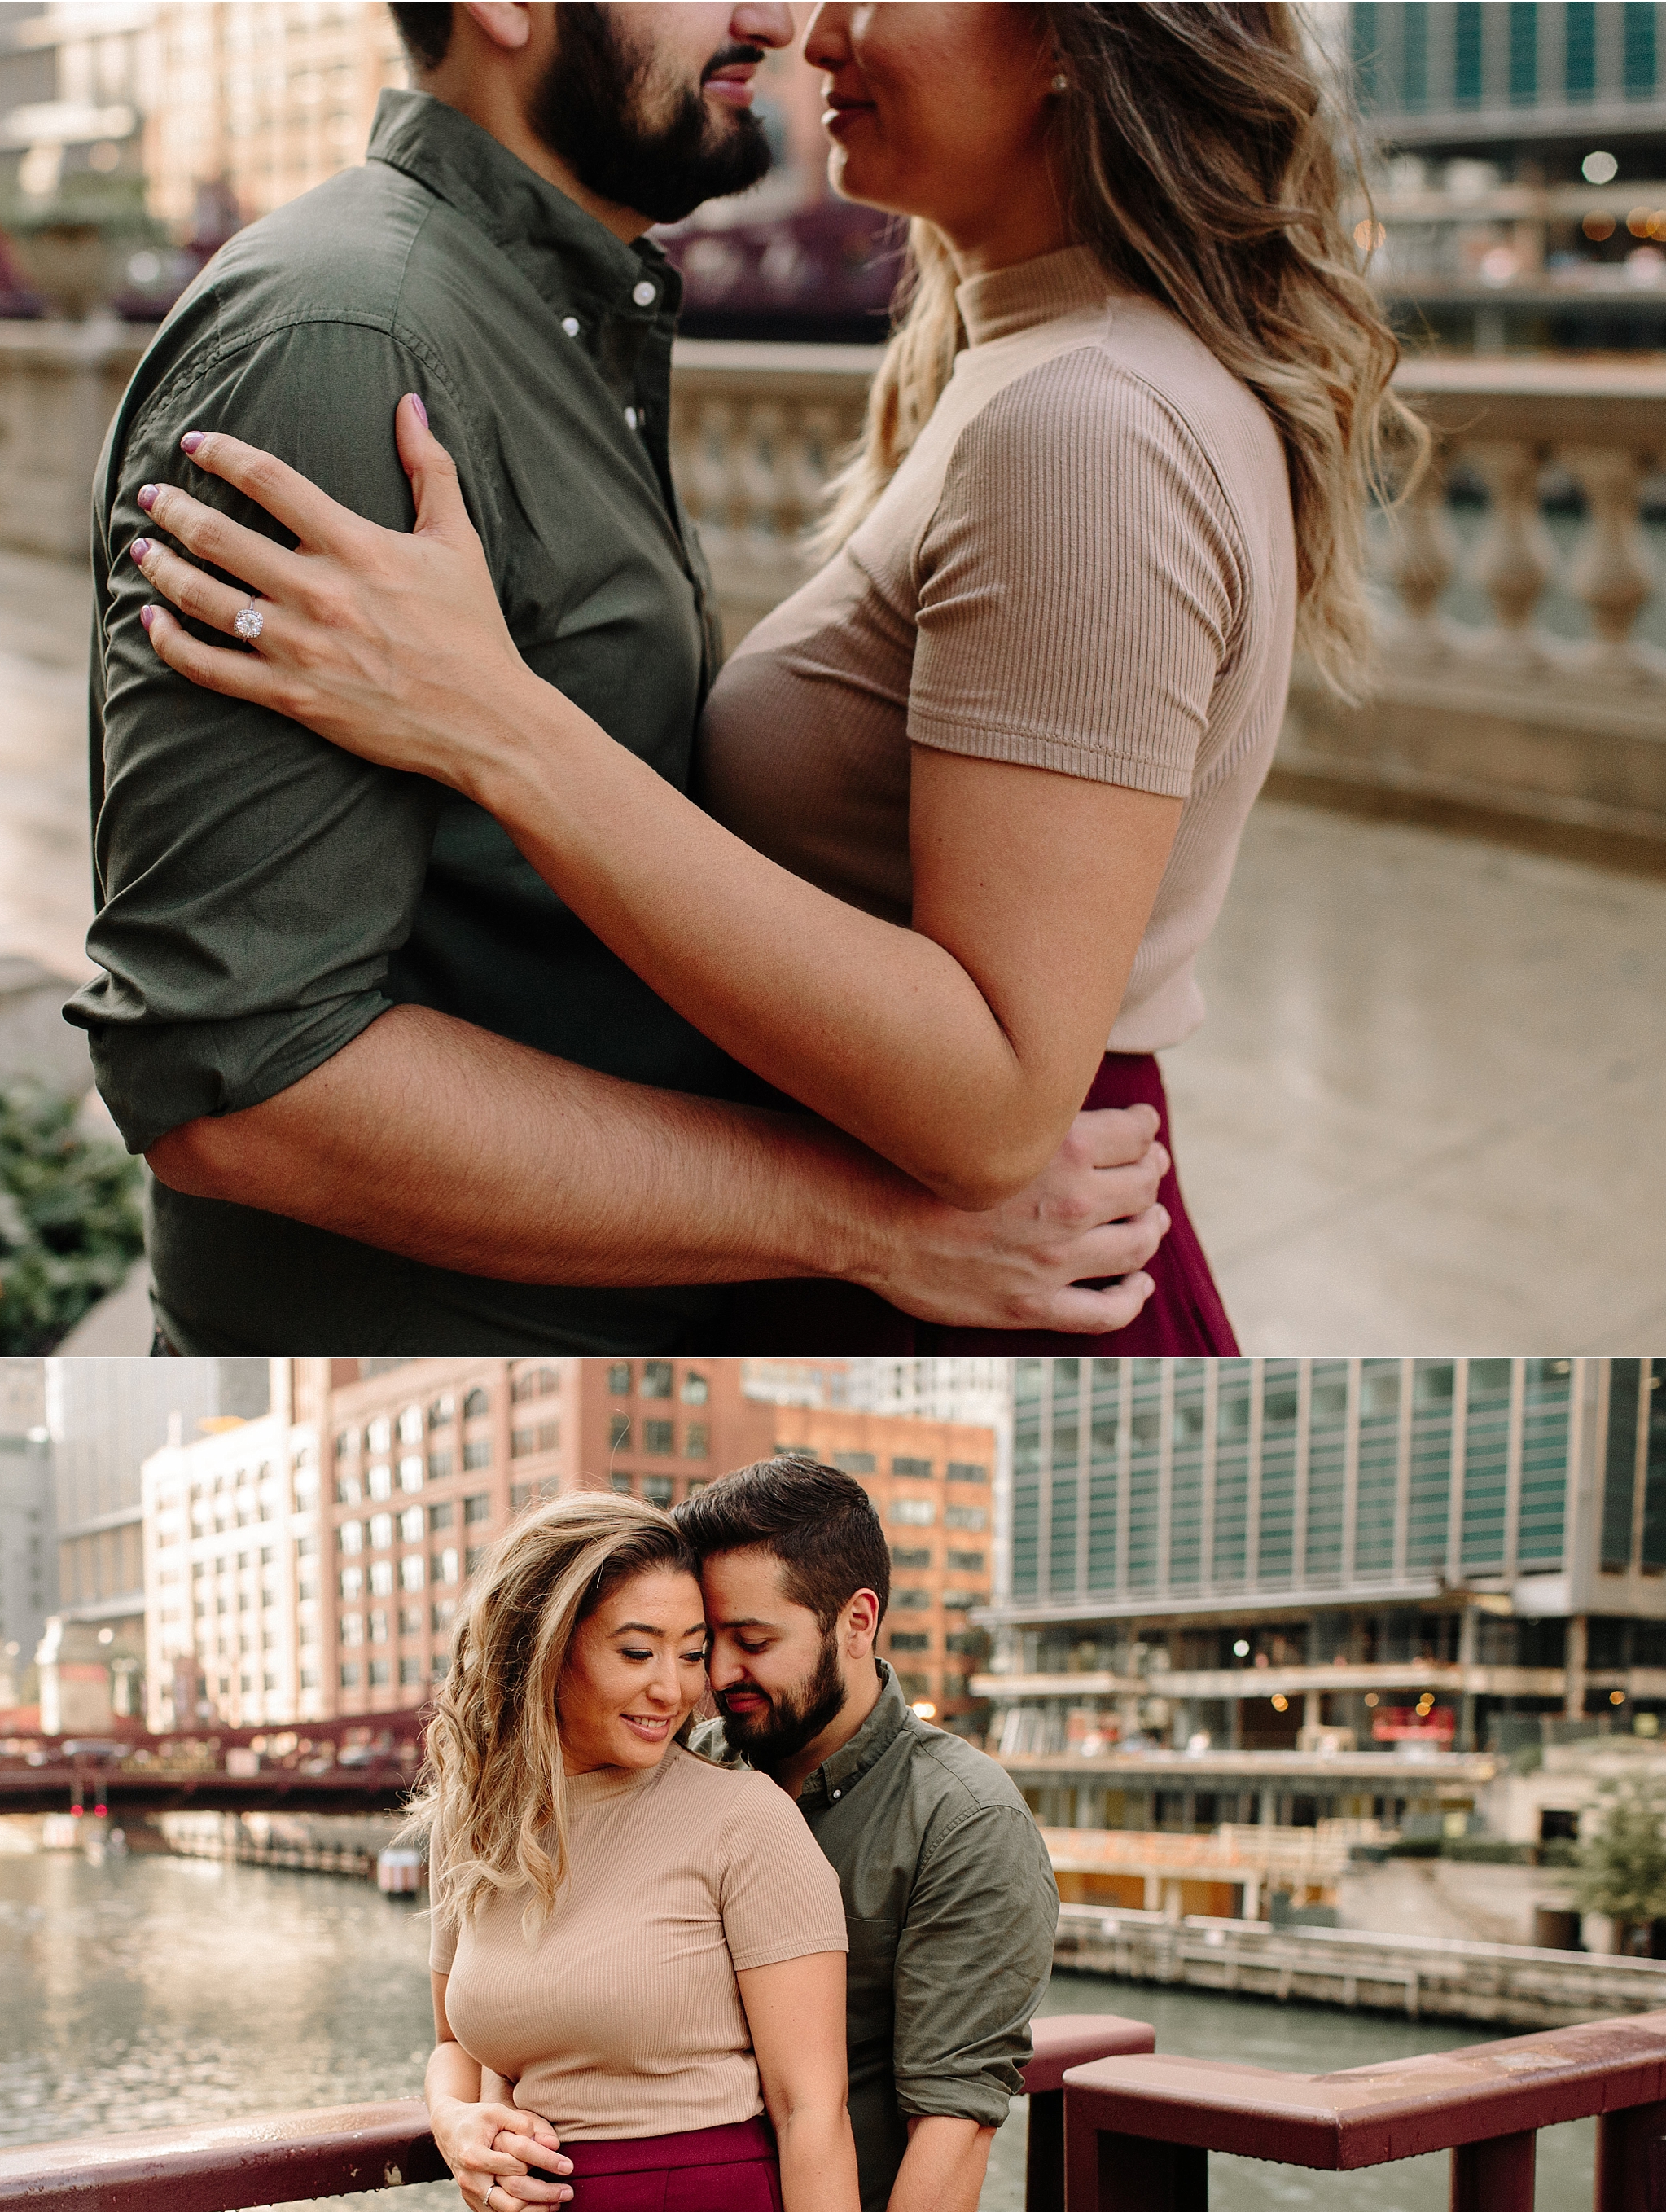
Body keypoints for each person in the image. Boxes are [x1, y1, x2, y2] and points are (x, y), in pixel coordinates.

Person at [128, 0, 1425, 1358]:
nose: (810, 30)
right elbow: (232, 1058)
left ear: (1073, 36)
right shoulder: (1031, 369)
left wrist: (497, 721)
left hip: (987, 1267)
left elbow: (992, 1108)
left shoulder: (1087, 419)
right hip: (919, 1247)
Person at [412, 1489, 903, 2212]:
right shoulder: (480, 1817)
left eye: (691, 1652)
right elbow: (453, 2039)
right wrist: (455, 2121)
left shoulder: (744, 1823)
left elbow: (810, 2112)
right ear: (547, 1646)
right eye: (639, 1650)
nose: (676, 1687)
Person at [672, 1456, 1059, 2212]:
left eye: (750, 1638)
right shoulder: (685, 1780)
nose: (719, 1675)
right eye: (705, 1642)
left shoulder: (962, 1816)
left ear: (857, 1618)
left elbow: (954, 2128)